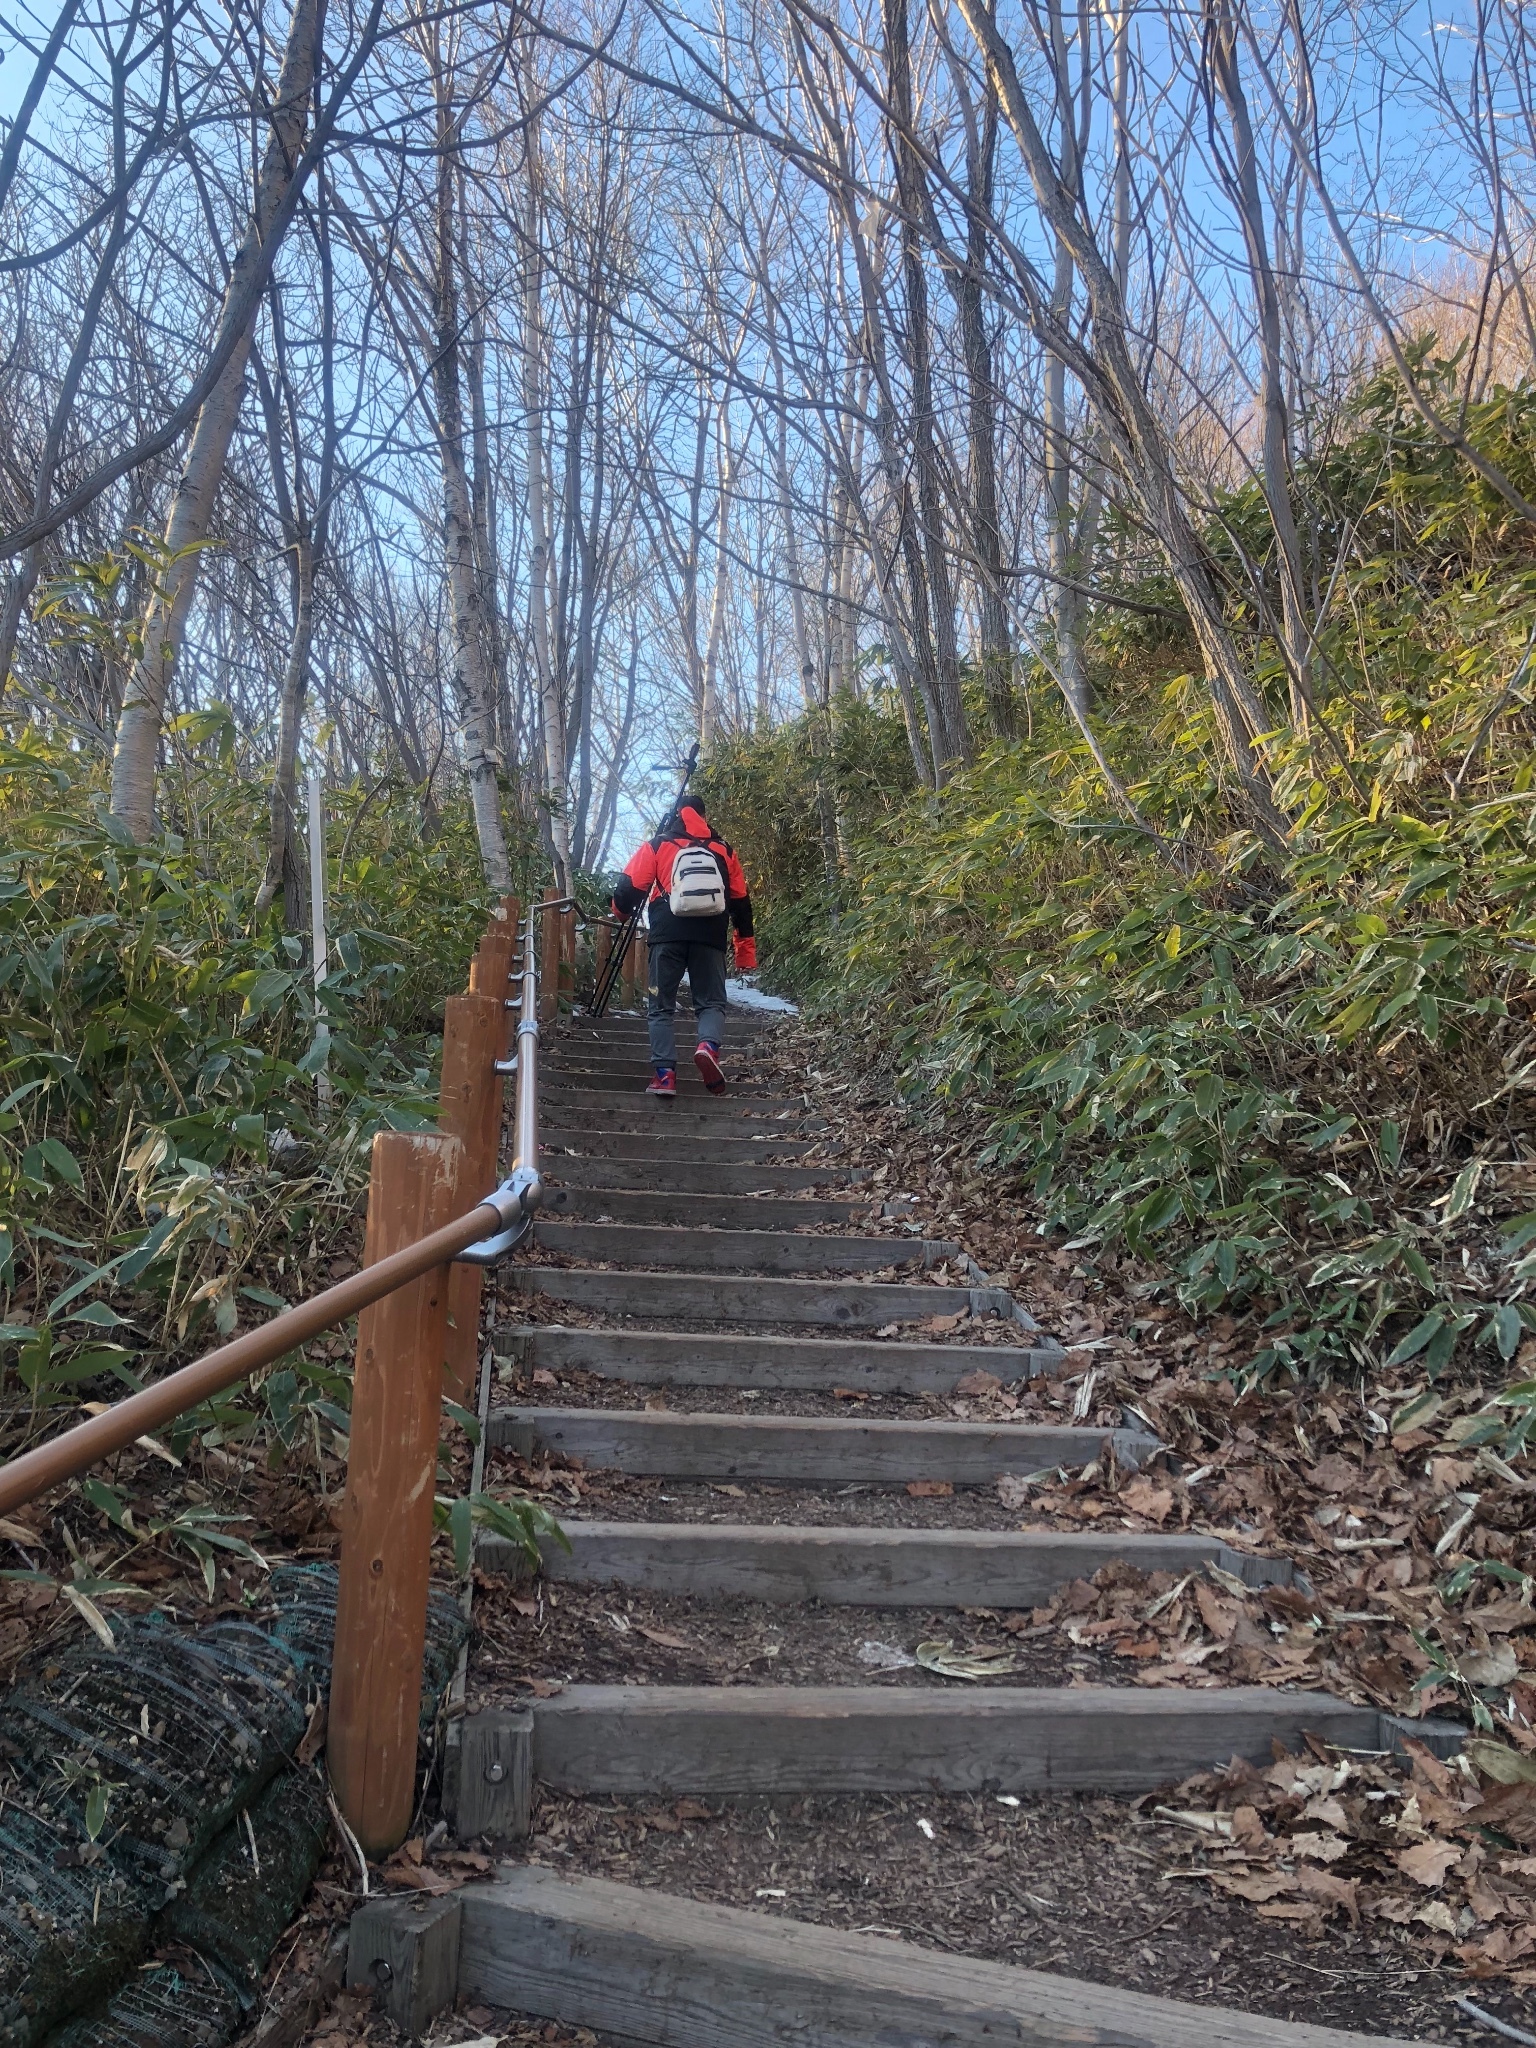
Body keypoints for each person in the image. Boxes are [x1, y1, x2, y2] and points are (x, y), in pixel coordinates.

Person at [612, 802, 757, 1097]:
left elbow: (628, 889)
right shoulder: (724, 850)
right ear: (704, 817)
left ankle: (665, 1077)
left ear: (677, 815)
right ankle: (708, 1046)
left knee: (660, 1007)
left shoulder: (659, 845)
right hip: (710, 936)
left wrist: (620, 912)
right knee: (712, 1003)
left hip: (667, 935)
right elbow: (741, 905)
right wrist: (744, 952)